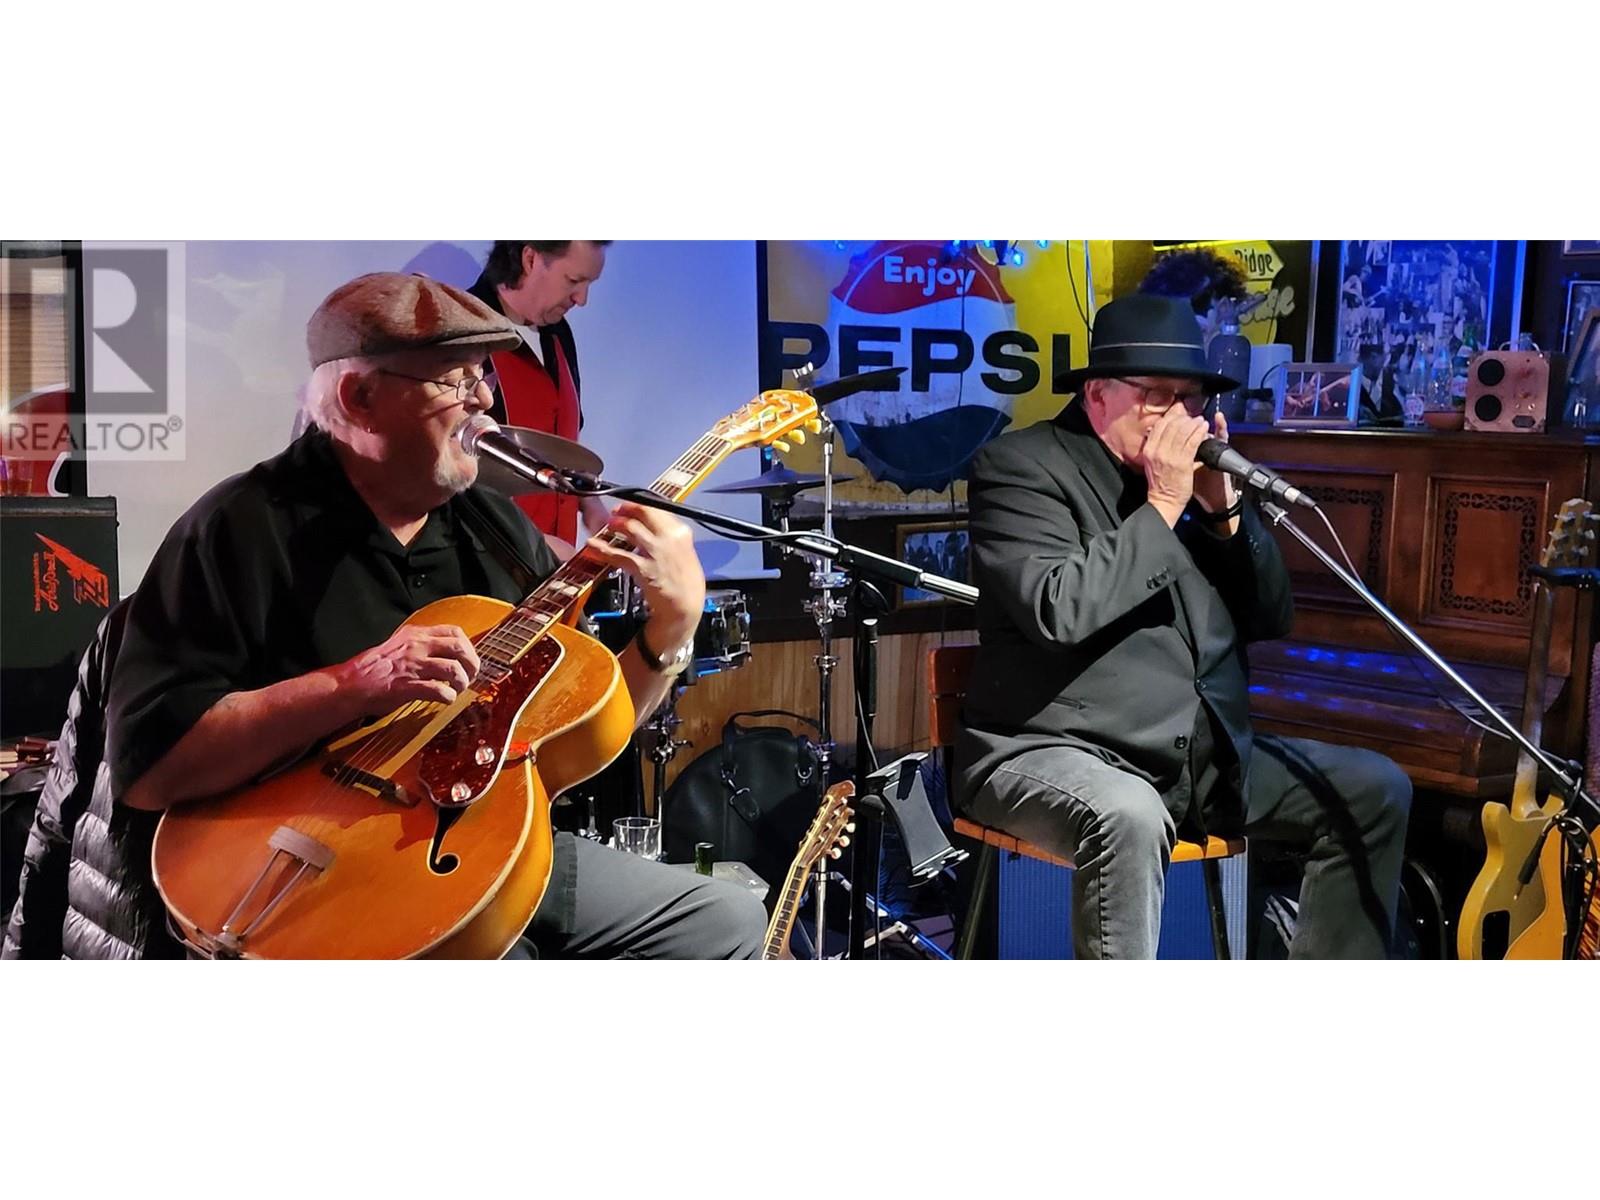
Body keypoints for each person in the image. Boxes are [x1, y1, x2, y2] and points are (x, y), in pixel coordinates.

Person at [104, 272, 767, 959]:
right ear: (360, 399)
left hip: (487, 844)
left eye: (482, 375)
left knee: (726, 920)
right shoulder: (237, 529)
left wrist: (671, 629)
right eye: (455, 379)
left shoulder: (494, 527)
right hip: (306, 868)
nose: (484, 400)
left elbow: (567, 727)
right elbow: (153, 770)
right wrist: (352, 684)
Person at [955, 294, 1412, 959]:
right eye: (1156, 396)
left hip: (1194, 759)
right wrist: (1165, 503)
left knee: (1373, 790)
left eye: (1192, 398)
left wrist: (1225, 518)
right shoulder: (1021, 468)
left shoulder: (1195, 486)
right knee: (1128, 814)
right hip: (1050, 751)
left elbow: (1270, 617)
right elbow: (1059, 610)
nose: (1178, 418)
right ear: (1097, 393)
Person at [468, 240, 612, 558]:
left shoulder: (559, 333)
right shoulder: (465, 334)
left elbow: (564, 441)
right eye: (574, 280)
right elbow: (452, 473)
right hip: (494, 565)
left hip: (555, 568)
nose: (582, 299)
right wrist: (534, 545)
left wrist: (592, 506)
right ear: (531, 259)